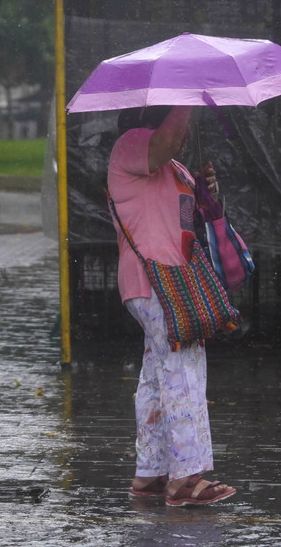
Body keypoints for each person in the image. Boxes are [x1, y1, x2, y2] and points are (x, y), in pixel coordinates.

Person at [107, 104, 237, 507]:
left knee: (156, 374)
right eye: (179, 119)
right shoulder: (130, 145)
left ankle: (150, 473)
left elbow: (185, 217)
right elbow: (165, 140)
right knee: (183, 371)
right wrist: (187, 99)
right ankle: (185, 477)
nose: (185, 130)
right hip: (154, 282)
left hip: (171, 283)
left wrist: (205, 191)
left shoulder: (175, 168)